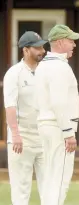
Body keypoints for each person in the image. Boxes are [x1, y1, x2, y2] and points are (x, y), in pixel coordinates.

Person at [34, 24, 79, 205]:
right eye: (71, 41)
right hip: (58, 127)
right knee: (60, 179)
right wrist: (68, 132)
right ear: (60, 42)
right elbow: (58, 102)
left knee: (50, 177)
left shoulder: (43, 66)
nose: (74, 45)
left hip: (46, 125)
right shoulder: (59, 67)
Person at [3, 31, 47, 205]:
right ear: (26, 50)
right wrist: (15, 135)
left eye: (42, 46)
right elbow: (10, 106)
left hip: (44, 136)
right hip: (22, 137)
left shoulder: (46, 72)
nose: (42, 51)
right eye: (37, 48)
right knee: (21, 189)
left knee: (50, 187)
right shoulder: (14, 73)